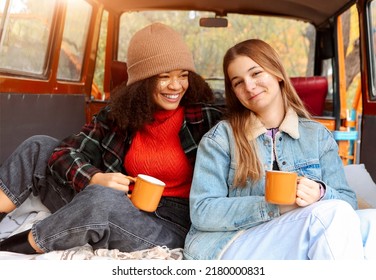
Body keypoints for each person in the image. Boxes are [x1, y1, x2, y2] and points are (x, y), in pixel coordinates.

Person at [0, 22, 223, 254]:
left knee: (101, 199)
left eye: (183, 75)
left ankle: (11, 248)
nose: (176, 85)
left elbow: (250, 132)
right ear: (143, 81)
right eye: (164, 76)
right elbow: (63, 153)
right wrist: (93, 177)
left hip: (169, 225)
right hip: (120, 204)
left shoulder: (205, 118)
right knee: (39, 146)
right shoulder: (119, 115)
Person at [183, 39, 376, 260]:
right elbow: (202, 211)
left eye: (255, 73)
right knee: (333, 214)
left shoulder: (317, 136)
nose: (249, 86)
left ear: (277, 73)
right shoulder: (221, 139)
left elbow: (347, 201)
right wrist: (275, 206)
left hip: (293, 235)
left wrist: (321, 194)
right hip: (232, 242)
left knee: (372, 223)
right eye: (238, 82)